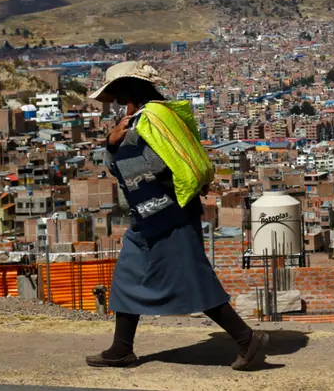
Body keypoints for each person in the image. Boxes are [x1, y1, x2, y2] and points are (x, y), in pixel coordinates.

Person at [85, 61, 269, 370]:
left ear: (128, 89)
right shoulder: (165, 114)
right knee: (128, 274)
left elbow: (137, 169)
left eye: (116, 92)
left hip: (166, 215)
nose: (114, 100)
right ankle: (121, 348)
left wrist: (112, 145)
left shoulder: (142, 122)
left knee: (192, 278)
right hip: (152, 215)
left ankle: (246, 339)